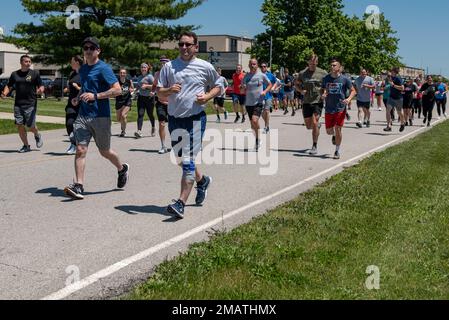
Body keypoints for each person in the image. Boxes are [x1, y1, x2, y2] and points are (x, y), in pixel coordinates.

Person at [157, 31, 223, 219]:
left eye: (188, 44)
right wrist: (169, 90)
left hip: (195, 119)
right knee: (181, 159)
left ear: (195, 47)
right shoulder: (169, 67)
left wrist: (208, 96)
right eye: (181, 44)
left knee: (187, 161)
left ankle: (180, 203)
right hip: (175, 119)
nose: (184, 48)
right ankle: (202, 182)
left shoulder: (204, 66)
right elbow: (160, 94)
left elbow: (219, 85)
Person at [64, 37, 129, 200]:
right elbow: (86, 88)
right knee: (80, 150)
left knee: (104, 151)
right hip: (83, 116)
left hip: (100, 117)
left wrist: (96, 96)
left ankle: (122, 169)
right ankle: (79, 186)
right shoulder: (84, 69)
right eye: (85, 47)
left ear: (98, 50)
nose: (88, 50)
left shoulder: (103, 68)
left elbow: (117, 90)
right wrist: (78, 97)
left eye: (91, 48)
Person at [1, 54, 44, 153]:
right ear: (21, 63)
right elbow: (9, 85)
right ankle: (26, 145)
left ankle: (37, 135)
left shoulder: (34, 74)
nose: (28, 63)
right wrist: (5, 93)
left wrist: (41, 90)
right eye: (26, 61)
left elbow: (41, 85)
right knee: (19, 124)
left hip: (31, 103)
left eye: (29, 62)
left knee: (30, 126)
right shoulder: (14, 74)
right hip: (18, 104)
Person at [322, 58, 356, 160]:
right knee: (329, 131)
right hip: (329, 108)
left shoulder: (345, 79)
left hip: (340, 107)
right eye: (331, 65)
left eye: (334, 65)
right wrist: (324, 93)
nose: (332, 67)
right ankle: (334, 136)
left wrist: (349, 99)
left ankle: (337, 150)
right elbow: (324, 89)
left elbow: (353, 91)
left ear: (339, 67)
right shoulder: (326, 78)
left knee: (338, 128)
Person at [296, 54, 327, 155]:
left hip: (318, 101)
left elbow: (328, 84)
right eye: (311, 63)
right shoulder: (302, 73)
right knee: (308, 126)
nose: (312, 65)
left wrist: (325, 93)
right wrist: (300, 90)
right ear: (308, 63)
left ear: (317, 62)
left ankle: (314, 146)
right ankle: (317, 126)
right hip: (306, 102)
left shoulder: (322, 73)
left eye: (314, 63)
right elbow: (296, 84)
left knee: (314, 123)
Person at [241, 59, 272, 151]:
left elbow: (270, 84)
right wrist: (243, 87)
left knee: (255, 120)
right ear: (249, 65)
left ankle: (258, 140)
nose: (252, 65)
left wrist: (265, 91)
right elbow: (242, 89)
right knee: (252, 125)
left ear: (257, 65)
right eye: (251, 64)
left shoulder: (262, 75)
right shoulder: (246, 76)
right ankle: (258, 138)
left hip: (258, 102)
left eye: (254, 64)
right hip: (249, 103)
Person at [63, 55, 83, 154]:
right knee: (69, 123)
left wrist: (78, 88)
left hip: (82, 104)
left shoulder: (84, 74)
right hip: (71, 103)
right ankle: (73, 143)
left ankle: (77, 145)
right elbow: (70, 86)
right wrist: (68, 89)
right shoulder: (72, 74)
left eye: (72, 61)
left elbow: (87, 89)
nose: (70, 63)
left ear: (77, 62)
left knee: (79, 126)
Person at [153, 56, 171, 154]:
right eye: (162, 63)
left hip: (172, 103)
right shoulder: (157, 74)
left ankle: (177, 144)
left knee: (173, 125)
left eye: (165, 62)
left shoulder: (173, 74)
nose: (163, 64)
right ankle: (163, 146)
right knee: (161, 123)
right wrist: (152, 91)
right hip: (160, 102)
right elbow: (155, 85)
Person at [135, 63, 156, 138]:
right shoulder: (139, 77)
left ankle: (153, 127)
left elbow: (155, 86)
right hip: (141, 98)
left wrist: (147, 86)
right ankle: (139, 131)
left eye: (145, 67)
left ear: (147, 69)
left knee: (150, 114)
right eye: (142, 67)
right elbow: (138, 86)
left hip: (149, 98)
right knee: (140, 114)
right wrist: (135, 90)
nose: (143, 69)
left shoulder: (150, 77)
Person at [384, 67, 405, 132]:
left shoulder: (398, 78)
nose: (391, 72)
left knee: (399, 112)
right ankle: (388, 126)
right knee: (388, 110)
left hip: (398, 98)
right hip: (391, 97)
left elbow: (402, 88)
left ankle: (402, 123)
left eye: (392, 71)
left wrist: (393, 85)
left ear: (395, 72)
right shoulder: (390, 78)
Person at [115, 68, 134, 137]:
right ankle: (123, 126)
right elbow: (113, 90)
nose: (122, 74)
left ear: (126, 74)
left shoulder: (129, 81)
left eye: (124, 73)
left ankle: (123, 131)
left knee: (123, 115)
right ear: (119, 74)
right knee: (118, 119)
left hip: (127, 100)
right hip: (119, 101)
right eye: (121, 73)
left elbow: (132, 89)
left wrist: (129, 90)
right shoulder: (116, 82)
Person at [260, 62, 278, 133]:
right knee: (262, 113)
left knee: (267, 111)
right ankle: (267, 124)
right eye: (261, 66)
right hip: (260, 96)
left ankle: (266, 127)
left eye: (264, 66)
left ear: (266, 67)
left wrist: (273, 87)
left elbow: (276, 82)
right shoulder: (259, 75)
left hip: (268, 96)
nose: (263, 68)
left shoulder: (270, 75)